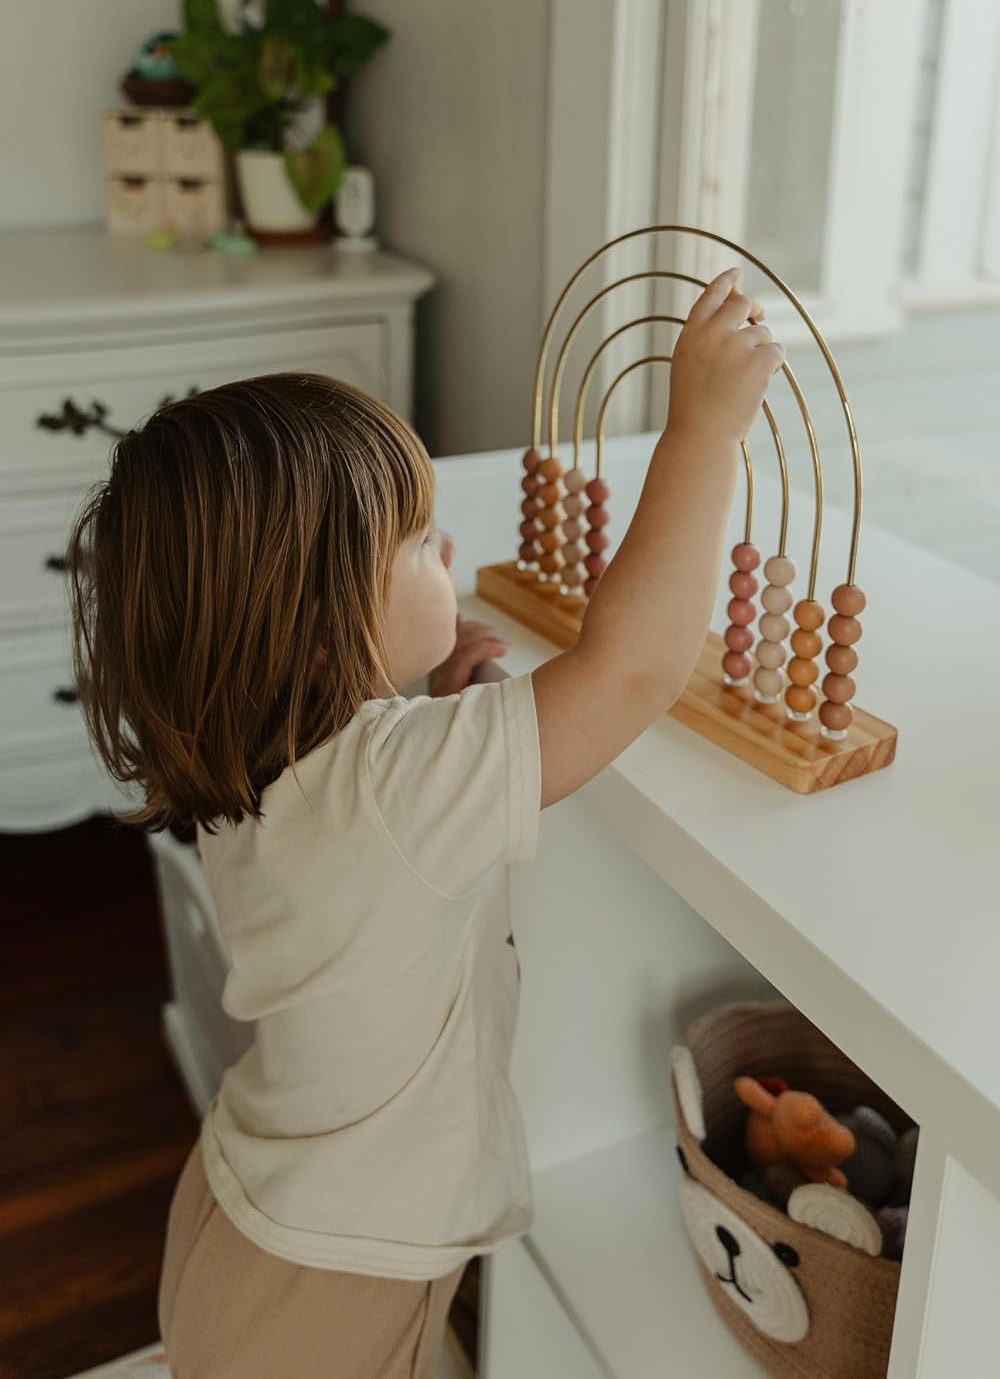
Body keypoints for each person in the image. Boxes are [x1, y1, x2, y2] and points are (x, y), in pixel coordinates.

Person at [67, 267, 781, 1377]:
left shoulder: (256, 749)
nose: (447, 554)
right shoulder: (393, 786)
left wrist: (421, 692)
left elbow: (374, 818)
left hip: (261, 1206)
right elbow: (633, 671)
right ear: (315, 637)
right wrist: (701, 431)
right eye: (416, 543)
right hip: (334, 1265)